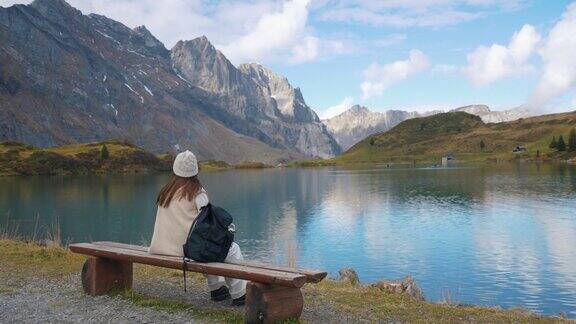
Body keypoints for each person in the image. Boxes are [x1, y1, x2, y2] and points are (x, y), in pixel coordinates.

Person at [148, 150, 247, 306]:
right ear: (195, 171)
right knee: (230, 248)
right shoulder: (196, 193)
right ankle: (241, 294)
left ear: (175, 169)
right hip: (185, 250)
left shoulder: (165, 192)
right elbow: (208, 226)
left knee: (208, 247)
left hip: (160, 247)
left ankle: (218, 289)